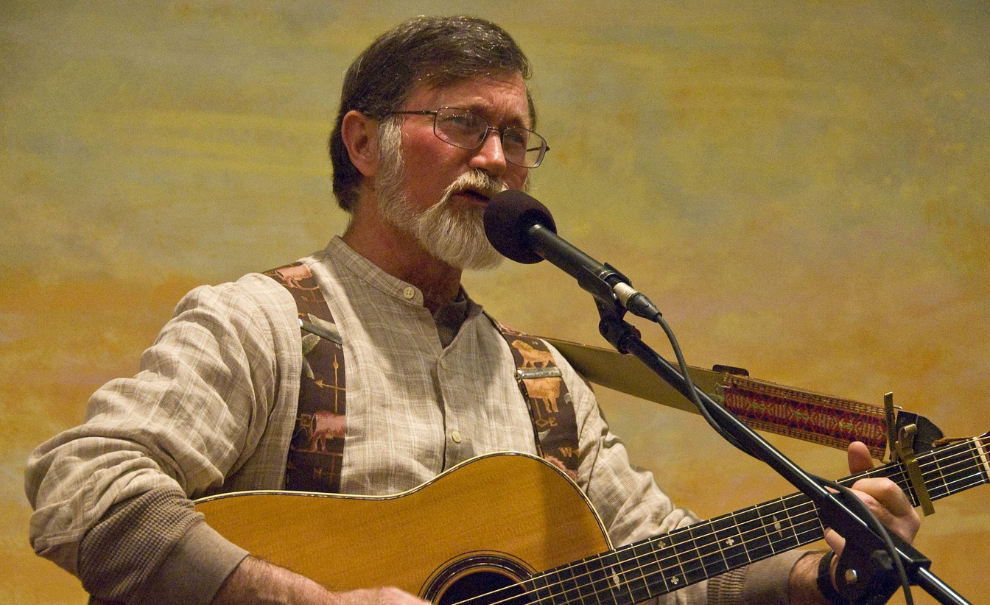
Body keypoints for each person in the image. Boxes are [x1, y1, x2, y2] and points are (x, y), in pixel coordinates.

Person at [25, 15, 920, 605]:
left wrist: (829, 572)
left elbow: (669, 566)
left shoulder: (544, 382)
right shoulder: (260, 323)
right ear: (362, 142)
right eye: (463, 123)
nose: (496, 158)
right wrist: (300, 598)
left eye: (518, 137)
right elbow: (82, 486)